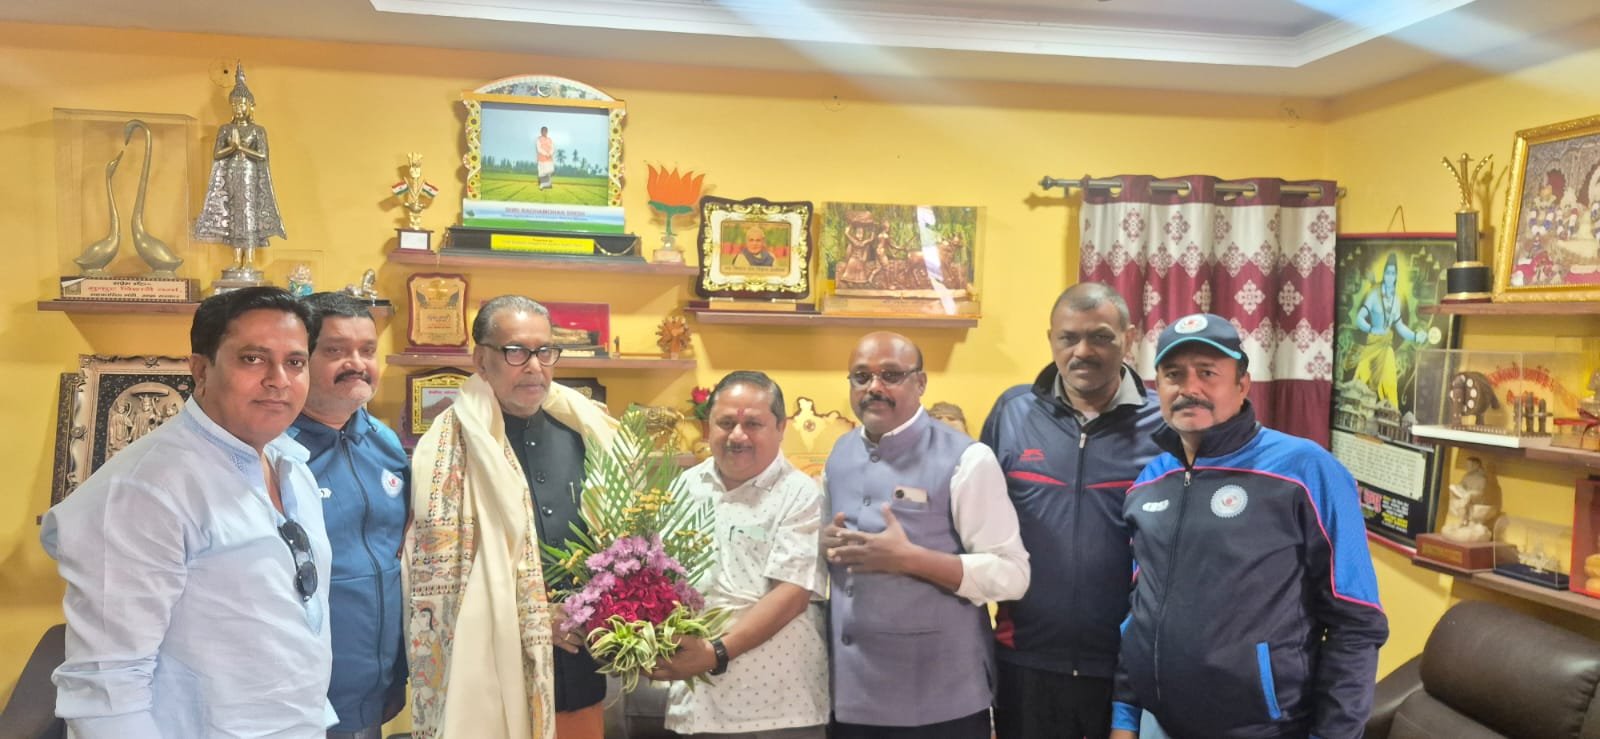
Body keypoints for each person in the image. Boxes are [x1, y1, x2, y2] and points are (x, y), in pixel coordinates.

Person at [41, 286, 333, 736]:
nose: (279, 379)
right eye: (253, 359)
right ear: (200, 369)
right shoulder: (145, 490)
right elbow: (106, 687)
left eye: (295, 362)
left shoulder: (290, 465)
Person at [1109, 313, 1388, 739]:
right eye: (1173, 375)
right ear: (1157, 387)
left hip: (1266, 729)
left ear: (1242, 384)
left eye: (1208, 373)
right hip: (1157, 725)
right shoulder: (1150, 481)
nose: (1189, 388)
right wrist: (1125, 718)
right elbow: (1140, 610)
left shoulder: (1305, 471)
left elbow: (1357, 622)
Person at [406, 295, 619, 739]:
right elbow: (447, 581)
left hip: (582, 670)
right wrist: (536, 619)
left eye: (545, 351)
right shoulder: (448, 449)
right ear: (481, 359)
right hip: (490, 677)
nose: (535, 366)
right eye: (516, 352)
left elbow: (620, 541)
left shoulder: (584, 432)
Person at [821, 332, 1030, 739]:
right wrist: (826, 545)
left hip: (940, 700)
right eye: (861, 377)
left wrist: (910, 559)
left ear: (920, 382)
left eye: (891, 375)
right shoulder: (839, 454)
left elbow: (1012, 575)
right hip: (850, 696)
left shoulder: (967, 459)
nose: (874, 387)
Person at [981, 283, 1164, 739]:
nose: (1083, 351)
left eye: (1100, 336)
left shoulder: (1163, 424)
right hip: (1026, 660)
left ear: (1129, 338)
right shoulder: (1012, 413)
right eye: (1069, 337)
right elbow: (974, 527)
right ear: (1051, 339)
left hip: (1129, 664)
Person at [649, 371, 830, 738]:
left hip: (777, 708)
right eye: (726, 423)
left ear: (781, 427)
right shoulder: (686, 486)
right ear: (708, 426)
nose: (737, 436)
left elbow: (792, 594)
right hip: (695, 703)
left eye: (753, 424)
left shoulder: (800, 494)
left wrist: (715, 653)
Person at [287, 292, 409, 739]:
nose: (356, 364)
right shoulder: (275, 453)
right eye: (336, 350)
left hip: (377, 691)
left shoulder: (385, 444)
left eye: (367, 350)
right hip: (298, 698)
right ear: (301, 360)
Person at [192, 64, 286, 274]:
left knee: (249, 213)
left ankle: (249, 259)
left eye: (242, 104)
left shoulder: (257, 130)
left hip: (250, 175)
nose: (238, 108)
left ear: (250, 106)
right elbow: (218, 154)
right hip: (232, 174)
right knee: (234, 215)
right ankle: (236, 259)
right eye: (235, 105)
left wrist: (240, 147)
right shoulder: (226, 129)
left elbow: (262, 156)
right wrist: (231, 148)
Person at [1352, 253, 1423, 409]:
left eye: (1393, 273)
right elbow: (1359, 318)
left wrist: (1415, 336)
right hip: (1372, 345)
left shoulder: (1396, 300)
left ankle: (1390, 415)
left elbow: (1400, 326)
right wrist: (1371, 328)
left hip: (1386, 347)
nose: (1390, 276)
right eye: (1387, 273)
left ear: (1396, 276)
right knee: (1361, 382)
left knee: (1390, 385)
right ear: (1384, 274)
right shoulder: (1373, 296)